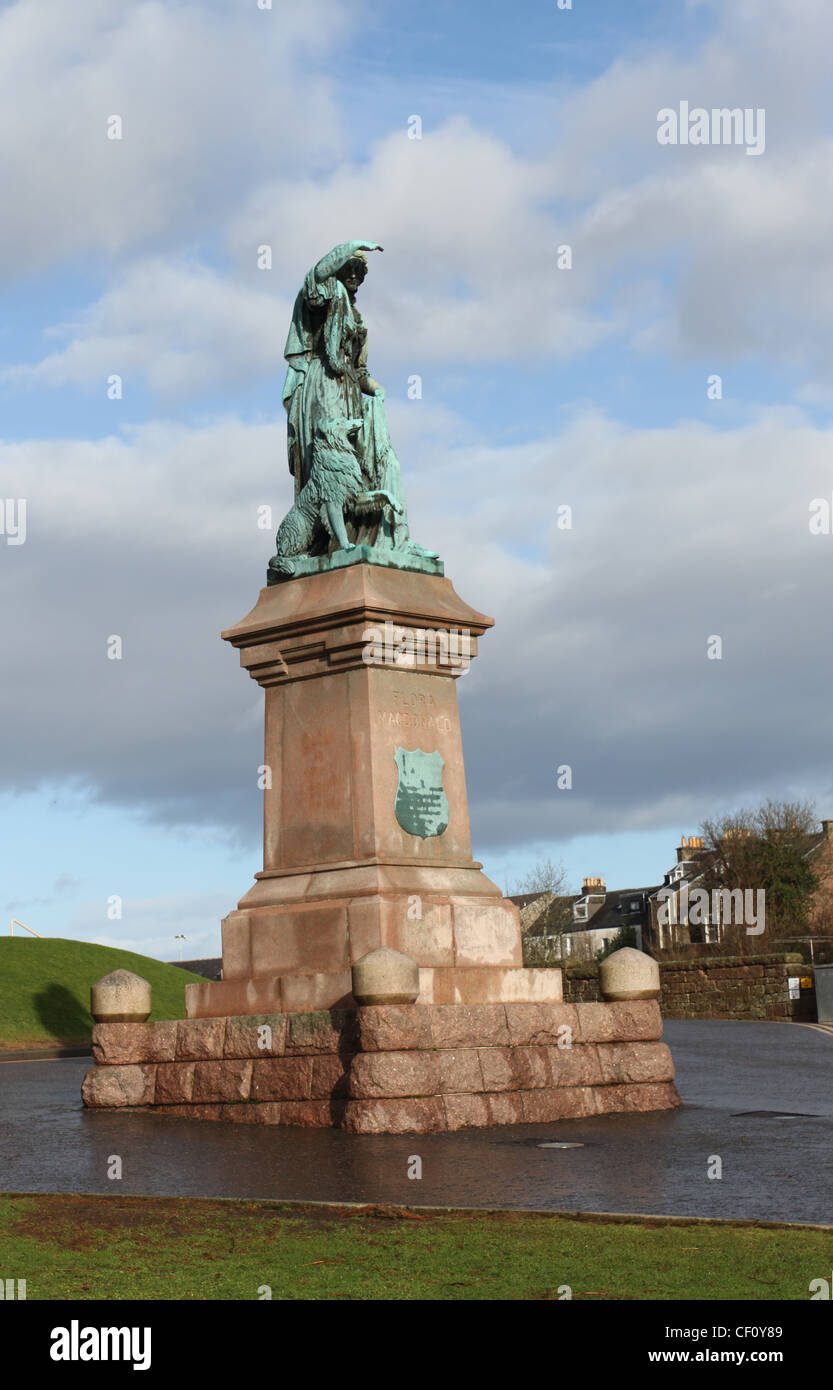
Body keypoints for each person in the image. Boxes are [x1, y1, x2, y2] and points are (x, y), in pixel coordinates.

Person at [279, 241, 436, 556]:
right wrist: (351, 245)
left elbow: (360, 370)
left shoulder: (358, 318)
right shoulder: (325, 297)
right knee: (327, 468)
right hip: (321, 387)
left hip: (349, 389)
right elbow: (314, 277)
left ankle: (382, 539)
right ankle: (329, 544)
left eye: (358, 271)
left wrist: (377, 390)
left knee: (371, 463)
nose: (353, 275)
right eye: (347, 269)